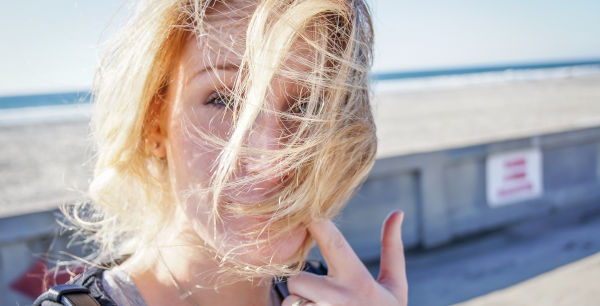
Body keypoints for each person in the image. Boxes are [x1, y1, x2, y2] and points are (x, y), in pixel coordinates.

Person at [38, 0, 408, 305]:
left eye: (306, 107)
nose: (270, 158)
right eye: (224, 100)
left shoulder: (334, 294)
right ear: (154, 124)